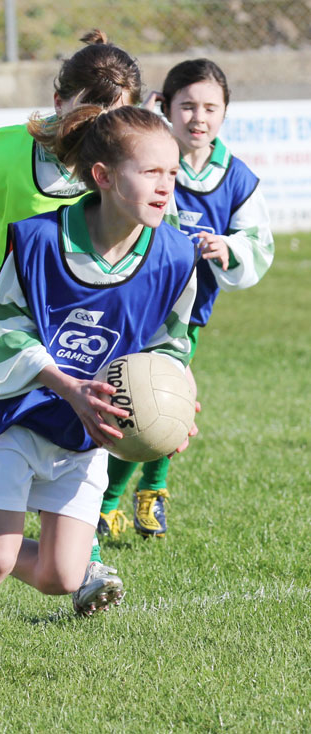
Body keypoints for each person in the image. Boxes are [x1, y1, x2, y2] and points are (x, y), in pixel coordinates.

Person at [0, 104, 197, 708]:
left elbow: (170, 343)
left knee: (61, 576)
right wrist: (70, 389)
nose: (166, 185)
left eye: (173, 173)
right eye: (151, 171)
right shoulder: (35, 241)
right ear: (104, 176)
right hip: (18, 419)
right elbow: (6, 333)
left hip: (86, 436)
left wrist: (173, 411)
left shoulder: (175, 257)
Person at [0, 30, 165, 613]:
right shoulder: (1, 155)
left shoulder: (128, 168)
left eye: (117, 117)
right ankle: (5, 537)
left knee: (86, 408)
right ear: (58, 99)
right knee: (32, 412)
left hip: (95, 310)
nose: (102, 128)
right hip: (13, 307)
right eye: (91, 113)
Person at [98, 58, 274, 539]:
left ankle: (134, 499)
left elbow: (259, 243)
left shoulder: (235, 177)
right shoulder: (146, 161)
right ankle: (111, 500)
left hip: (186, 316)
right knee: (127, 401)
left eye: (210, 108)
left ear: (224, 113)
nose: (199, 117)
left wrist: (229, 246)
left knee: (156, 403)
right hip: (132, 302)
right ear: (166, 107)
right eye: (188, 106)